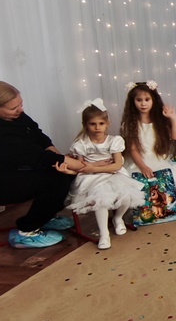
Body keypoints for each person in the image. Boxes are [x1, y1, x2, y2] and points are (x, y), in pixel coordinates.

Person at [0, 81, 85, 247]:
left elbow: (38, 135)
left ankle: (45, 216)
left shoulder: (17, 116)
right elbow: (36, 156)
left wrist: (59, 156)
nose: (20, 110)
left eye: (20, 104)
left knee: (63, 173)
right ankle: (26, 231)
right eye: (14, 108)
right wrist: (82, 165)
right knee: (56, 181)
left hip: (18, 168)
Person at [60, 100, 144, 249]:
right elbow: (81, 167)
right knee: (101, 199)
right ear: (85, 124)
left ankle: (118, 218)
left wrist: (92, 167)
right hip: (91, 178)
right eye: (93, 124)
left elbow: (117, 165)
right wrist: (71, 171)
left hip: (112, 174)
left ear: (107, 124)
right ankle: (104, 234)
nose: (97, 127)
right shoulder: (81, 144)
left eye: (101, 123)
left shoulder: (114, 141)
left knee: (126, 196)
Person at [121, 81, 176, 212]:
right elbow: (133, 149)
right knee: (139, 183)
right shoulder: (130, 123)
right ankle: (148, 210)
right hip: (140, 161)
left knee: (173, 178)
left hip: (158, 159)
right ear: (133, 102)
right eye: (139, 100)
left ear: (153, 100)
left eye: (147, 99)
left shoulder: (159, 120)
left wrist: (172, 118)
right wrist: (143, 166)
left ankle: (168, 207)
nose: (143, 104)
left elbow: (175, 136)